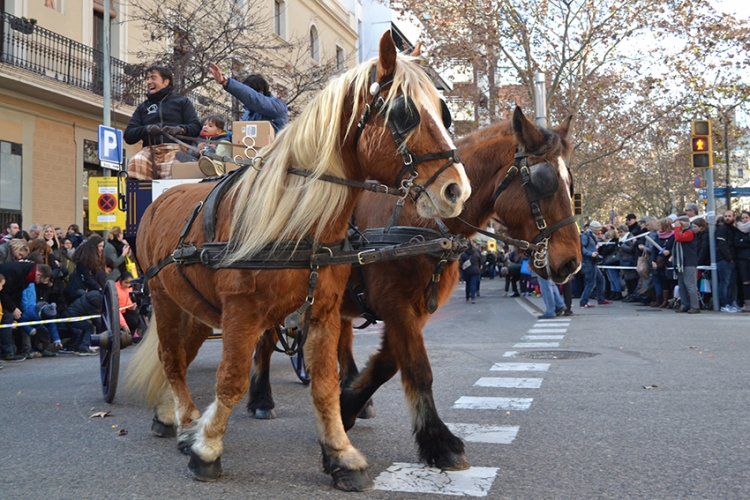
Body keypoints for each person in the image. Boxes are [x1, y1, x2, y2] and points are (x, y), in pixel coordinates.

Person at [124, 65, 202, 180]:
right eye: (148, 78)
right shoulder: (142, 107)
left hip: (175, 149)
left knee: (175, 166)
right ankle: (140, 197)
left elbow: (195, 126)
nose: (149, 82)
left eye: (153, 78)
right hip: (149, 150)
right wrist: (146, 129)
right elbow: (129, 136)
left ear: (166, 82)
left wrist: (180, 129)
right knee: (136, 162)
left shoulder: (182, 102)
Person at [208, 61, 288, 134]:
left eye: (246, 91)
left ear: (260, 92)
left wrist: (225, 82)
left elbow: (254, 99)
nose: (244, 98)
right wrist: (218, 133)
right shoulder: (248, 114)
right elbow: (240, 136)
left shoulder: (278, 106)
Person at [0, 261, 53, 361]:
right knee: (7, 318)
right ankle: (6, 352)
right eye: (40, 281)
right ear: (38, 274)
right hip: (4, 299)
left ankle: (14, 349)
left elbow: (16, 294)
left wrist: (16, 309)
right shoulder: (15, 271)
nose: (38, 284)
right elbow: (3, 292)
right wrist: (13, 309)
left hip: (8, 300)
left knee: (12, 320)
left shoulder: (25, 275)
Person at [64, 235, 107, 304]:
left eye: (102, 246)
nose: (102, 248)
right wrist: (99, 288)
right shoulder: (84, 260)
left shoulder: (95, 259)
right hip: (81, 291)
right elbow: (86, 277)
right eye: (100, 246)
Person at [579, 220, 611, 308]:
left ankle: (601, 299)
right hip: (588, 262)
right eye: (598, 230)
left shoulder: (591, 236)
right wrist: (591, 254)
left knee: (600, 279)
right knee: (590, 282)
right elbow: (581, 249)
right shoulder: (585, 236)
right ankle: (583, 301)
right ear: (594, 229)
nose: (599, 232)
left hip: (592, 261)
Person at [672, 216, 700, 313]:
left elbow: (679, 238)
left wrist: (676, 228)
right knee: (682, 285)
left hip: (688, 262)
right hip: (680, 263)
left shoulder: (689, 232)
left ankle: (695, 306)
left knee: (690, 285)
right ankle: (685, 305)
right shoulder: (681, 232)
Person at [716, 214, 737, 312]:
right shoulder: (722, 229)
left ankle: (729, 303)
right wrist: (729, 258)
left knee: (730, 283)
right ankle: (724, 304)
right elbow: (722, 245)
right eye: (726, 216)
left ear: (734, 217)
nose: (727, 218)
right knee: (725, 283)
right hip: (724, 260)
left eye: (729, 216)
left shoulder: (732, 229)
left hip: (730, 259)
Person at [734, 210, 750, 312]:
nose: (744, 220)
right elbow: (736, 243)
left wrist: (743, 240)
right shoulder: (738, 229)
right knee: (745, 282)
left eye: (746, 218)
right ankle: (747, 304)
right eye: (742, 218)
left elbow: (741, 242)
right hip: (742, 260)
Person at [116, 272, 139, 337]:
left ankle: (132, 333)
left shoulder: (129, 288)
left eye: (130, 283)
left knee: (136, 316)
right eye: (126, 282)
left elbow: (127, 299)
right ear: (120, 280)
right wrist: (123, 324)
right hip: (116, 312)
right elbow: (116, 309)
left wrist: (131, 306)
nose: (128, 285)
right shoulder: (115, 289)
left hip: (124, 310)